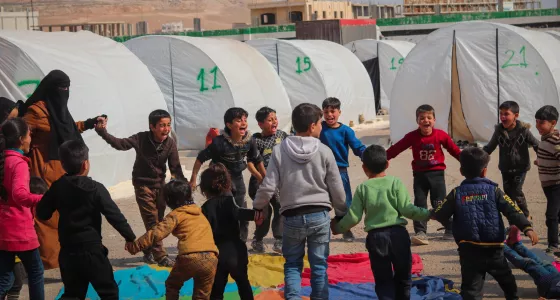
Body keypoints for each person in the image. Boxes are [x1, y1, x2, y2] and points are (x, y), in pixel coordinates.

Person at [253, 103, 347, 300]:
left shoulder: (280, 151)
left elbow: (269, 186)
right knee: (319, 266)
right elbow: (337, 188)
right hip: (319, 216)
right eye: (320, 123)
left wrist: (258, 206)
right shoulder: (324, 151)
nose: (322, 126)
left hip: (292, 217)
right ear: (313, 126)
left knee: (293, 265)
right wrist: (341, 212)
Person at [20, 70, 106, 270]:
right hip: (44, 169)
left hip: (66, 168)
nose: (64, 92)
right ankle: (49, 262)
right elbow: (21, 133)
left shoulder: (59, 109)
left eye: (67, 88)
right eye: (61, 88)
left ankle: (68, 258)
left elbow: (68, 128)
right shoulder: (36, 111)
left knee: (68, 214)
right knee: (47, 217)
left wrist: (90, 123)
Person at [432, 147, 538, 300]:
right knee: (507, 281)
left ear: (461, 171)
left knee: (471, 289)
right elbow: (513, 210)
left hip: (469, 249)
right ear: (485, 171)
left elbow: (440, 213)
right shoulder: (494, 191)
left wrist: (431, 214)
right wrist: (526, 227)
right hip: (493, 249)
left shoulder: (456, 193)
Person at [36, 140, 136, 300]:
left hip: (68, 251)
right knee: (109, 292)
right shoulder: (96, 188)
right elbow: (114, 215)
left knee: (73, 294)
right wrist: (130, 237)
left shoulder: (58, 187)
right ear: (85, 164)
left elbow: (42, 213)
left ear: (62, 164)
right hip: (93, 252)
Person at [331, 145, 432, 300]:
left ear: (364, 168)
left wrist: (338, 227)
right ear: (387, 164)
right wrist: (428, 214)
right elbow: (407, 209)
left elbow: (354, 217)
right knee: (404, 277)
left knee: (383, 280)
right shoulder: (395, 183)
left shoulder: (363, 188)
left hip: (376, 238)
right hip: (399, 235)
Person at [95, 109, 183, 267]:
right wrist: (103, 133)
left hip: (160, 186)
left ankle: (148, 249)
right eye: (162, 125)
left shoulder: (170, 143)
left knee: (160, 220)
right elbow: (120, 144)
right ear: (152, 126)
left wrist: (183, 189)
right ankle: (160, 256)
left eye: (168, 125)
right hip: (143, 185)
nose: (166, 129)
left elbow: (175, 168)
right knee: (153, 221)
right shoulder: (141, 138)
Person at [126, 180, 219, 300]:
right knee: (202, 295)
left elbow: (156, 233)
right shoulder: (200, 213)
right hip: (211, 258)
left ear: (170, 201)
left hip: (190, 257)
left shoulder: (176, 214)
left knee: (172, 284)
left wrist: (136, 246)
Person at [386, 104, 460, 245]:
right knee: (420, 203)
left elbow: (454, 150)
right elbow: (397, 148)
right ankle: (421, 232)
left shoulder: (441, 135)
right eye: (422, 118)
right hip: (419, 175)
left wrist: (467, 161)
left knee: (439, 203)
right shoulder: (412, 137)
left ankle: (450, 227)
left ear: (434, 120)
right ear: (417, 121)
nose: (426, 120)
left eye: (429, 117)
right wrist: (384, 159)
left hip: (437, 174)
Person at [190, 107, 265, 242]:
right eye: (238, 120)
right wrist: (193, 179)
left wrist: (263, 177)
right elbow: (200, 158)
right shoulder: (219, 143)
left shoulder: (249, 140)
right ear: (229, 125)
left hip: (237, 177)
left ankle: (241, 241)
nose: (243, 123)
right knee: (225, 208)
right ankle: (221, 240)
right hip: (221, 180)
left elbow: (256, 159)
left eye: (245, 120)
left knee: (241, 208)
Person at [199, 163, 261, 300]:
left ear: (204, 188)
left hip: (216, 254)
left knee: (217, 290)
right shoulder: (230, 201)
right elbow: (239, 212)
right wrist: (256, 214)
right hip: (236, 251)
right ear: (227, 183)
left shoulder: (205, 208)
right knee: (243, 283)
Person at [0, 118, 44, 300]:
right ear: (20, 139)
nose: (30, 138)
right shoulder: (19, 164)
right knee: (35, 272)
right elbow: (19, 195)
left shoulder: (4, 161)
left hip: (3, 228)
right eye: (28, 134)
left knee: (4, 277)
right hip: (20, 228)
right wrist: (44, 199)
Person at [320, 97, 366, 242]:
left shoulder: (346, 131)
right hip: (320, 171)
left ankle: (345, 228)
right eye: (326, 112)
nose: (329, 115)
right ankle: (321, 230)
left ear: (339, 112)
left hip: (340, 171)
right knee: (321, 200)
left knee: (343, 201)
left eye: (332, 111)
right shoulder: (319, 128)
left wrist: (369, 157)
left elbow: (358, 147)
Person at [483, 101, 539, 220]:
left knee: (517, 192)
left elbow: (536, 144)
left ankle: (525, 216)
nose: (503, 117)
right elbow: (489, 147)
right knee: (508, 196)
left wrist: (542, 157)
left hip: (520, 168)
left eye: (506, 114)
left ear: (516, 116)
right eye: (501, 114)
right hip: (506, 168)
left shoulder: (523, 131)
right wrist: (477, 159)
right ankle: (513, 223)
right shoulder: (498, 131)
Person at [248, 107, 287, 253]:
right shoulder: (255, 140)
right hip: (259, 183)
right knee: (263, 212)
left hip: (278, 182)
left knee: (280, 207)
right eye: (270, 120)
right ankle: (258, 240)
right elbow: (250, 163)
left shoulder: (283, 136)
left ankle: (279, 240)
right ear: (260, 124)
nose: (274, 122)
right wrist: (261, 178)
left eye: (275, 119)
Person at [4, 177, 48, 300]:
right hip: (18, 245)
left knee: (13, 281)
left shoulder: (12, 204)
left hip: (11, 246)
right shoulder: (23, 211)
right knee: (12, 280)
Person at [503, 226, 560, 299]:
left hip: (549, 287)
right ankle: (516, 245)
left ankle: (501, 246)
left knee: (530, 263)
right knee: (541, 262)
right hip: (556, 277)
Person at [534, 105, 560, 253]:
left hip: (556, 184)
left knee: (551, 215)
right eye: (537, 121)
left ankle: (553, 245)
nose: (538, 125)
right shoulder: (546, 139)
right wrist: (541, 161)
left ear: (553, 123)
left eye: (542, 122)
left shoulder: (554, 140)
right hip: (548, 184)